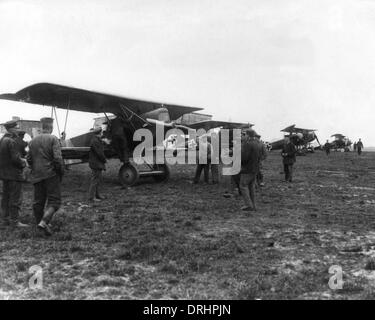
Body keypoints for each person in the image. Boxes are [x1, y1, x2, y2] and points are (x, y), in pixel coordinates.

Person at [27, 117, 64, 236]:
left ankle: (40, 224)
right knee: (54, 201)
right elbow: (58, 159)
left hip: (37, 175)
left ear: (42, 127)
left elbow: (29, 159)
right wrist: (60, 172)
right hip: (51, 174)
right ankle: (44, 222)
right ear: (51, 127)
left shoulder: (32, 141)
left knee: (38, 202)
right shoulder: (53, 138)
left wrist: (35, 169)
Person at [0, 120, 28, 228]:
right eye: (16, 127)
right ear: (11, 129)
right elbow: (15, 159)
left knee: (5, 197)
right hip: (14, 174)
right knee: (15, 198)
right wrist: (24, 162)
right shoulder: (12, 141)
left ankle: (4, 219)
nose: (18, 129)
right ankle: (15, 221)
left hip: (4, 174)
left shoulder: (2, 140)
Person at [239, 129, 261, 212]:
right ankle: (253, 205)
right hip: (255, 169)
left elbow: (244, 158)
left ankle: (248, 205)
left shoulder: (247, 144)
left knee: (243, 186)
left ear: (248, 135)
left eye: (244, 134)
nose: (243, 136)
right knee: (251, 187)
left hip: (247, 169)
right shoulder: (257, 143)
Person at [88, 127, 107, 202]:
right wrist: (104, 159)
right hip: (96, 163)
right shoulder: (95, 141)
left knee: (97, 179)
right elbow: (99, 153)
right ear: (100, 133)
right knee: (95, 180)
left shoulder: (96, 140)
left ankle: (97, 195)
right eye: (102, 132)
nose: (102, 133)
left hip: (96, 162)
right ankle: (91, 197)